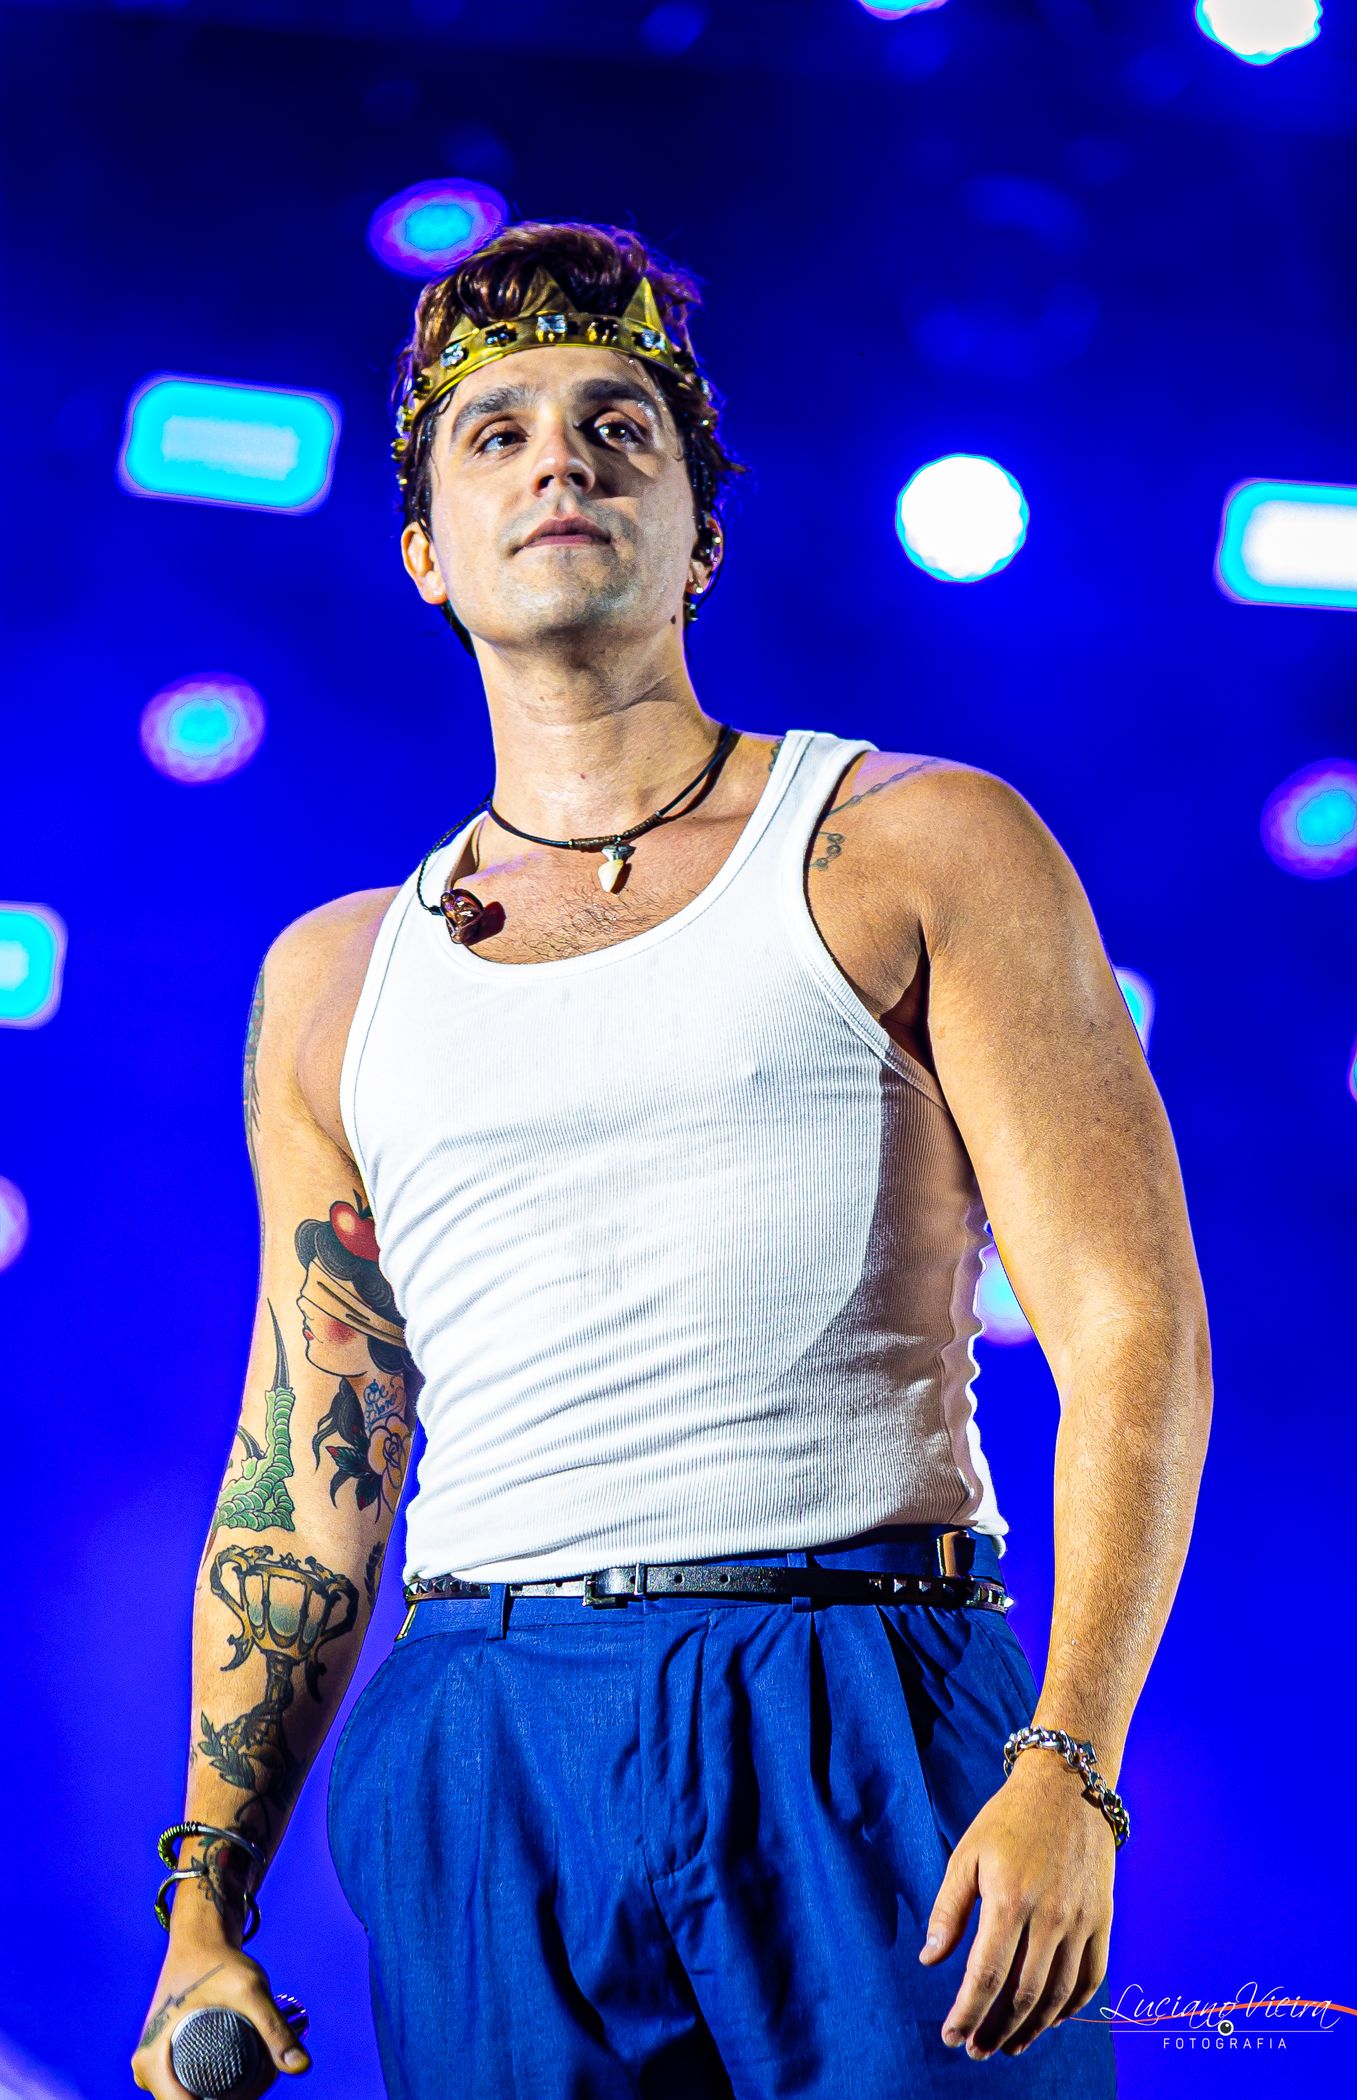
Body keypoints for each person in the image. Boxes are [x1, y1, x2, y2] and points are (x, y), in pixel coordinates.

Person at [133, 219, 1212, 2099]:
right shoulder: (332, 980)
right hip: (485, 1733)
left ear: (700, 532)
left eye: (618, 427)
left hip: (860, 1692)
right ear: (424, 550)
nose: (559, 461)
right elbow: (306, 1466)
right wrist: (203, 1903)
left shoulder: (918, 843)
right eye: (497, 435)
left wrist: (1072, 1765)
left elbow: (1135, 1332)